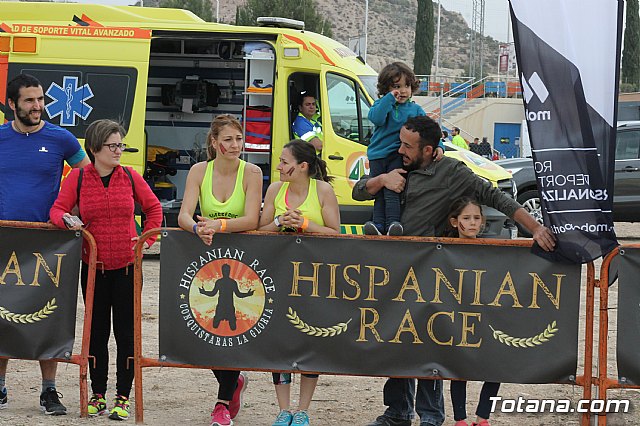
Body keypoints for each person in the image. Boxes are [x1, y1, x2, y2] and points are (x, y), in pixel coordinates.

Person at [352, 115, 555, 426]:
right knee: (394, 342)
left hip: (428, 272)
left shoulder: (452, 172)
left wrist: (536, 227)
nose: (401, 148)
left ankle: (431, 416)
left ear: (431, 150)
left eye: (408, 145)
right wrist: (382, 181)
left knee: (429, 344)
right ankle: (397, 412)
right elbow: (357, 192)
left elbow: (496, 197)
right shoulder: (395, 162)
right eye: (401, 142)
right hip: (391, 269)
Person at [49, 119, 162, 420]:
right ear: (95, 147)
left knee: (126, 334)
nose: (119, 151)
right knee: (96, 333)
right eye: (113, 145)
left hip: (127, 266)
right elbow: (57, 209)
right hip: (93, 267)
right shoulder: (78, 178)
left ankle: (123, 396)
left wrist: (147, 238)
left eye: (121, 145)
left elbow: (154, 208)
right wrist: (69, 222)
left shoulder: (130, 176)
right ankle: (97, 394)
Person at [0, 73, 90, 415]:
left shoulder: (61, 139)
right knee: (1, 314)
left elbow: (88, 178)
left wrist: (73, 214)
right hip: (4, 239)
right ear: (12, 104)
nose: (38, 106)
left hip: (49, 244)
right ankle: (0, 387)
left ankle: (49, 391)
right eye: (29, 100)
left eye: (40, 100)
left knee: (48, 316)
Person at [178, 114, 262, 426]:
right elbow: (184, 214)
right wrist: (197, 228)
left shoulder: (252, 172)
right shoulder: (199, 171)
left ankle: (222, 402)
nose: (235, 145)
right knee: (208, 332)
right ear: (214, 143)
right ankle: (233, 383)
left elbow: (251, 219)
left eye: (239, 139)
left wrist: (218, 224)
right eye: (228, 139)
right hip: (206, 261)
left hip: (245, 262)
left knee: (236, 331)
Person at [259, 139, 340, 426]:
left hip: (313, 278)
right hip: (279, 275)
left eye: (284, 161)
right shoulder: (274, 190)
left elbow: (335, 233)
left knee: (310, 339)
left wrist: (305, 224)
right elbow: (260, 230)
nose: (279, 166)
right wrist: (281, 221)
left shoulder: (323, 190)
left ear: (302, 166)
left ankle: (303, 409)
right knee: (281, 341)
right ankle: (284, 409)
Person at [365, 62, 443, 236]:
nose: (403, 91)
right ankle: (378, 225)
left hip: (397, 155)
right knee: (378, 191)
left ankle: (393, 224)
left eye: (406, 86)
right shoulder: (381, 104)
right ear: (386, 88)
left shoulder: (415, 109)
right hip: (377, 156)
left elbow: (430, 130)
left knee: (392, 190)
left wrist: (439, 146)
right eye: (396, 86)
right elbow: (376, 119)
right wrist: (388, 99)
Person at [445, 197, 500, 426]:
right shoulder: (443, 249)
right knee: (460, 367)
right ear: (454, 222)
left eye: (476, 218)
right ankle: (460, 419)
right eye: (466, 218)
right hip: (456, 316)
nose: (472, 223)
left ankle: (483, 417)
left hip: (484, 315)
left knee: (496, 366)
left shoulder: (492, 249)